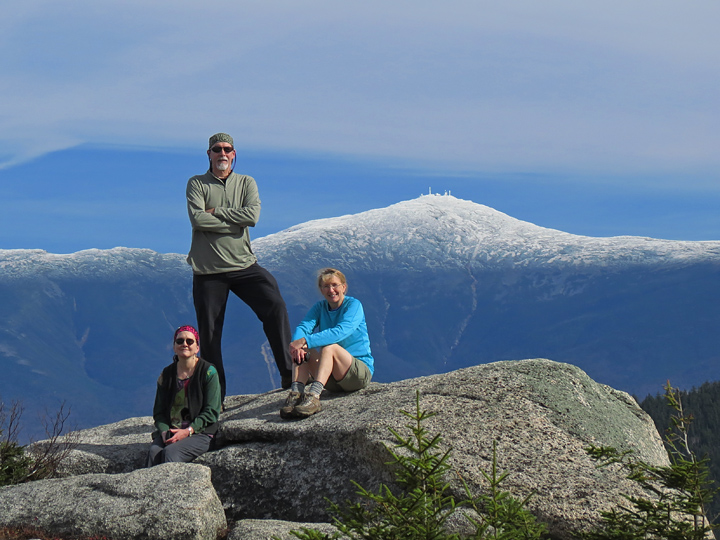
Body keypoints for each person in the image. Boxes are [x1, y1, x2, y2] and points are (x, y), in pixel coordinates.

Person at [186, 132, 293, 402]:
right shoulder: (196, 183)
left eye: (227, 149)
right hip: (208, 271)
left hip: (244, 265)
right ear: (208, 154)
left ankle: (290, 377)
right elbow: (198, 221)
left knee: (275, 306)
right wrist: (234, 220)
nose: (222, 153)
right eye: (217, 149)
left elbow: (252, 216)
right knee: (209, 336)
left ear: (234, 154)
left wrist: (217, 212)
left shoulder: (247, 182)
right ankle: (215, 398)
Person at [281, 268, 374, 419]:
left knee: (329, 347)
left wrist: (305, 340)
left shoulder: (353, 306)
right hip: (332, 379)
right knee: (303, 349)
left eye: (335, 285)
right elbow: (304, 327)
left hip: (357, 374)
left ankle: (314, 396)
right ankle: (296, 394)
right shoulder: (320, 307)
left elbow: (341, 331)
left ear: (344, 287)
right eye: (326, 286)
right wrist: (298, 345)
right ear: (321, 290)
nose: (331, 290)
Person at [146, 325, 221, 466]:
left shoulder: (208, 372)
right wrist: (164, 431)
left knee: (171, 453)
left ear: (197, 347)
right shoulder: (166, 375)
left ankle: (169, 487)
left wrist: (188, 431)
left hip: (200, 433)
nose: (184, 344)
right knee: (154, 453)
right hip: (171, 432)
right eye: (180, 341)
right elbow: (159, 412)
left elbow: (211, 411)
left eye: (190, 341)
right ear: (174, 347)